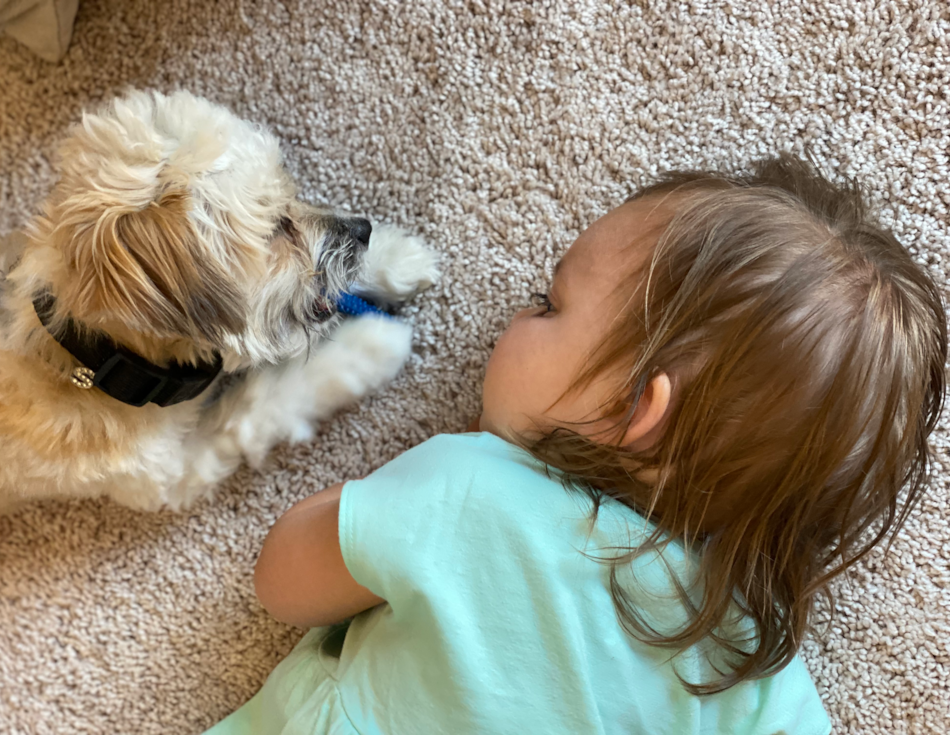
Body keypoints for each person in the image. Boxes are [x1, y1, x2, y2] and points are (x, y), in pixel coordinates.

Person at [205, 153, 947, 735]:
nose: (520, 312)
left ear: (635, 407)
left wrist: (397, 489)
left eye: (548, 303)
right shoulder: (752, 664)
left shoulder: (470, 490)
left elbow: (283, 584)